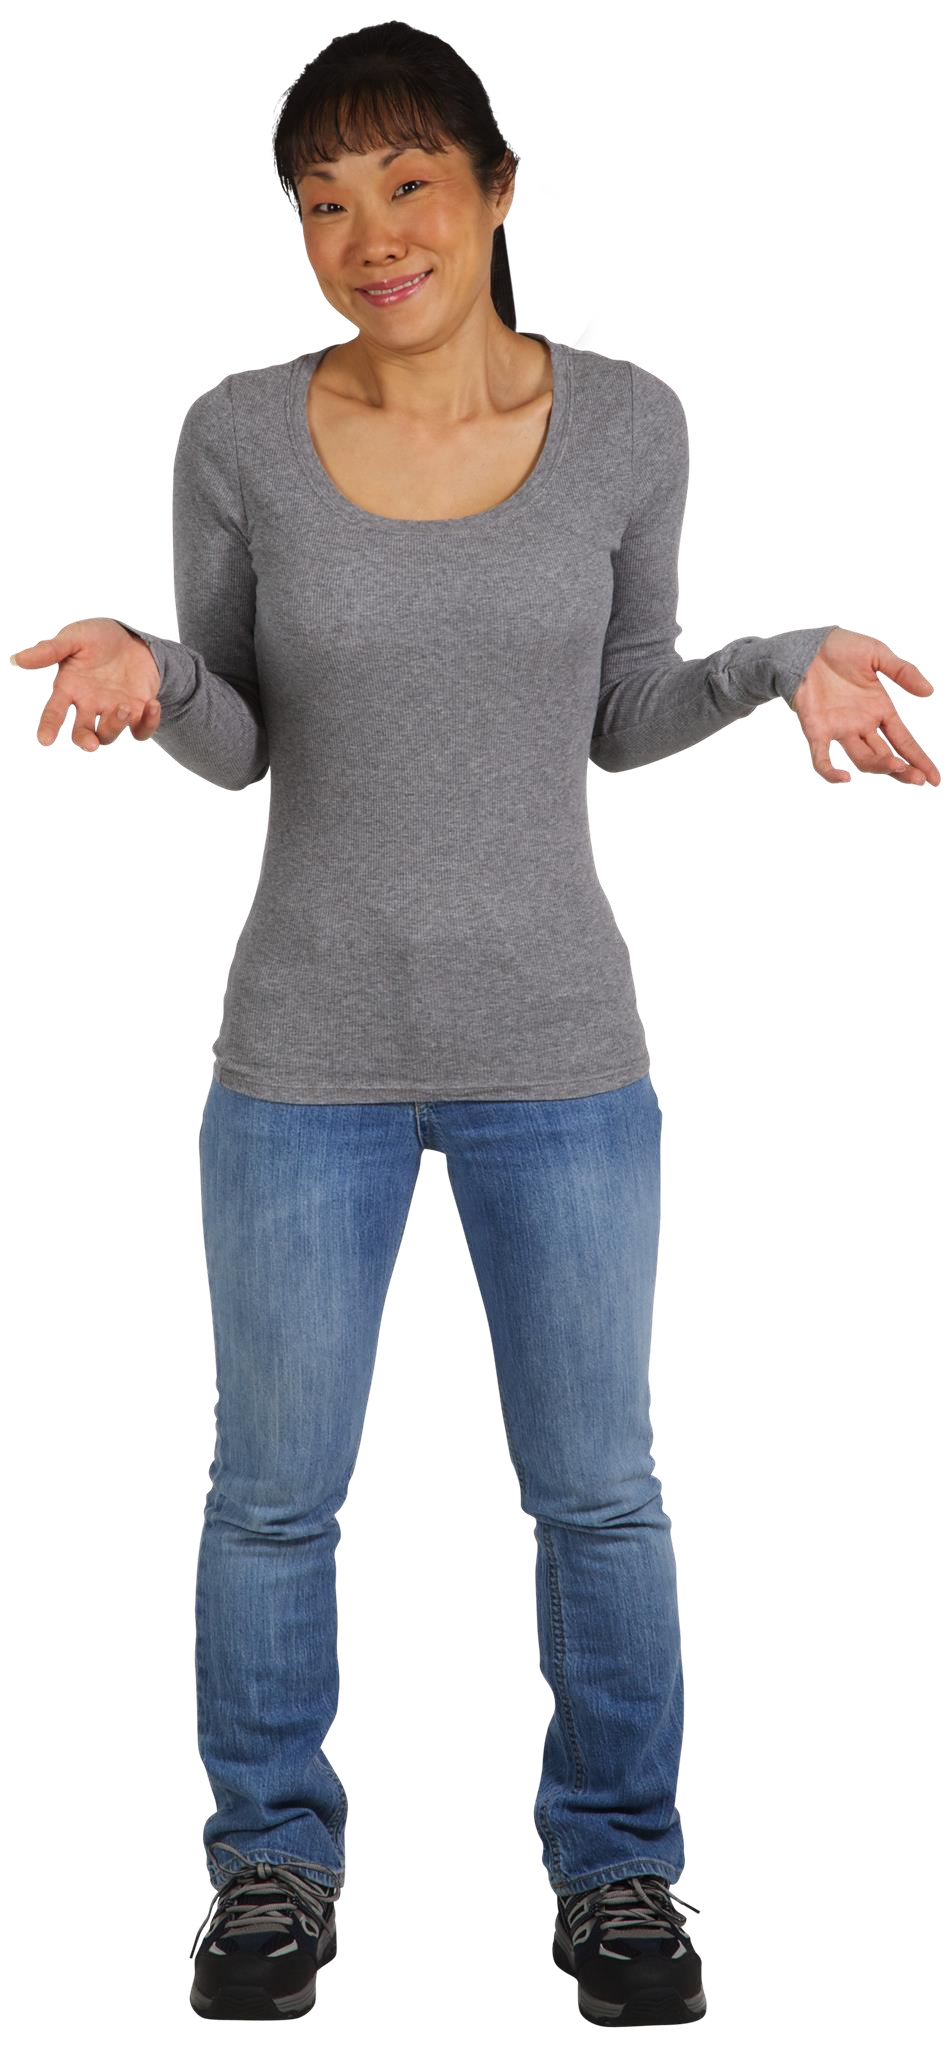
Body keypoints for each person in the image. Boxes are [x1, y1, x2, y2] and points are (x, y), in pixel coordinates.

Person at [21, 27, 864, 2032]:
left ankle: (620, 1872)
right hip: (297, 1057)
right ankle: (268, 1867)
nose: (366, 231)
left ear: (497, 188)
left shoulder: (630, 420)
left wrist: (780, 662)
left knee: (597, 1492)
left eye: (405, 182)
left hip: (559, 1052)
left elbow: (623, 711)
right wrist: (152, 669)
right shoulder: (234, 430)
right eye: (322, 200)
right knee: (269, 1494)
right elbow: (237, 738)